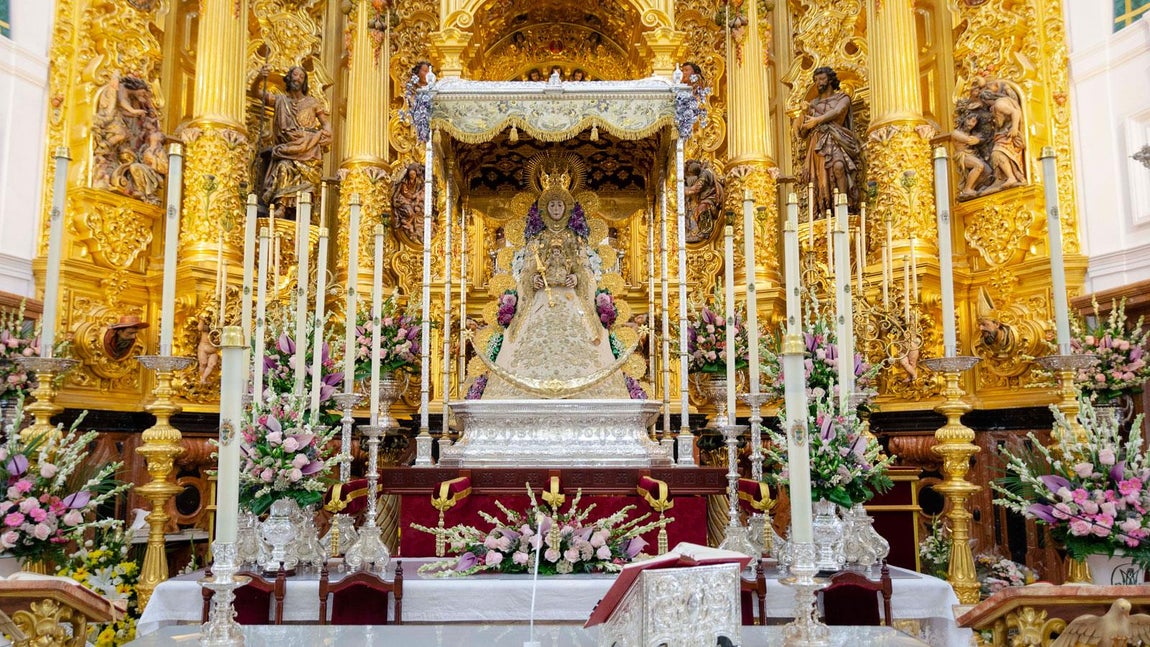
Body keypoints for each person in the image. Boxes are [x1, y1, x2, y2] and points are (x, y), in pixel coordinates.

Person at [482, 179, 628, 400]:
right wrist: (533, 282)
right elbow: (526, 272)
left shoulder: (576, 239)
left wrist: (576, 278)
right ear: (544, 209)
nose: (556, 210)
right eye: (552, 205)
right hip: (541, 300)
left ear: (566, 208)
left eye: (560, 205)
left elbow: (585, 269)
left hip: (570, 300)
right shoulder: (536, 240)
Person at [254, 65, 332, 218]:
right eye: (295, 75)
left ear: (304, 82)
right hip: (288, 148)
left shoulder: (313, 103)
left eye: (301, 77)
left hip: (308, 147)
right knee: (283, 166)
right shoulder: (280, 100)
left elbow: (325, 123)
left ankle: (305, 212)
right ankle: (281, 206)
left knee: (309, 178)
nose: (297, 78)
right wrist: (259, 78)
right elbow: (257, 93)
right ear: (289, 78)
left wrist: (329, 133)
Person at [796, 67, 863, 214]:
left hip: (837, 139)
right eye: (816, 80)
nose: (818, 83)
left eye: (821, 79)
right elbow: (803, 133)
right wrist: (803, 114)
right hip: (817, 144)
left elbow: (838, 111)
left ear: (830, 79)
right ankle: (825, 209)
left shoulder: (842, 98)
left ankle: (844, 207)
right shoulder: (812, 104)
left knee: (839, 167)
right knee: (820, 179)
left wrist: (817, 120)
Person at [952, 110, 994, 199]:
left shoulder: (971, 133)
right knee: (978, 166)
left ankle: (973, 187)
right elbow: (969, 140)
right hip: (963, 155)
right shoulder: (956, 133)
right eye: (969, 120)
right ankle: (967, 189)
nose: (971, 124)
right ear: (964, 120)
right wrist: (978, 139)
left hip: (971, 154)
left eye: (974, 122)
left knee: (987, 170)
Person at [391, 163, 426, 242]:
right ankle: (407, 223)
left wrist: (417, 195)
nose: (412, 176)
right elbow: (405, 192)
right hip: (403, 199)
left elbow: (421, 188)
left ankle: (411, 224)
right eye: (410, 174)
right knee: (410, 213)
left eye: (413, 174)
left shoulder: (418, 181)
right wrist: (413, 196)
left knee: (419, 210)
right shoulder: (405, 182)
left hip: (413, 199)